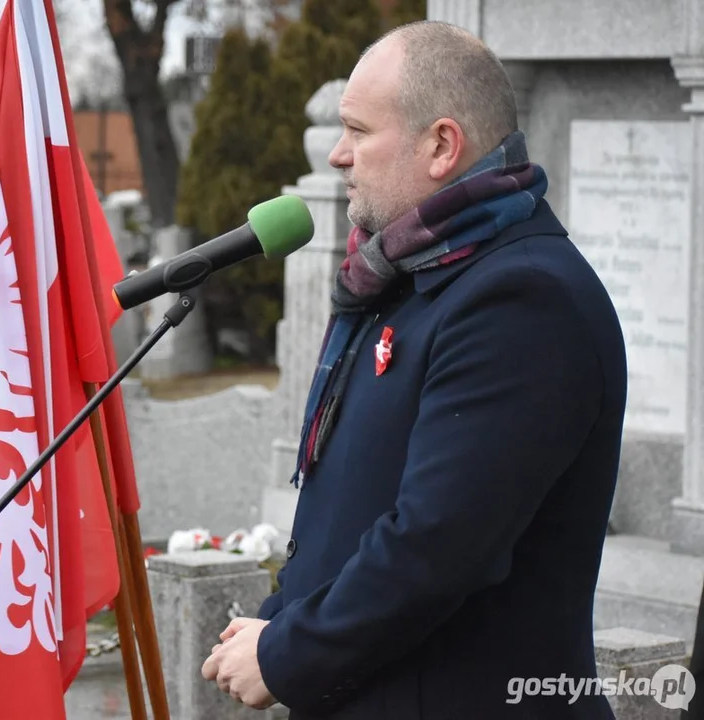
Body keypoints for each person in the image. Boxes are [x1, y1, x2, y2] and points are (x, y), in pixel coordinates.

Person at [201, 20, 627, 720]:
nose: (337, 156)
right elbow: (350, 501)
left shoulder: (520, 298)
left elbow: (439, 541)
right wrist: (279, 619)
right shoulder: (407, 278)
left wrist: (286, 653)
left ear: (440, 145)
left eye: (357, 131)